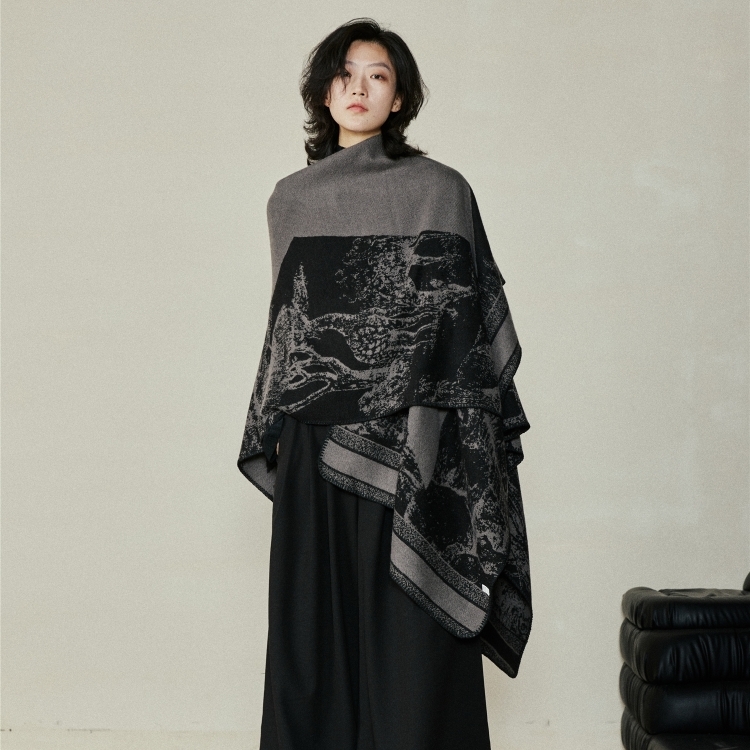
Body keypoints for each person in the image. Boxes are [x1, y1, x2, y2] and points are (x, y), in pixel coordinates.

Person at [237, 17, 532, 750]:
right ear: (323, 93)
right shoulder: (290, 200)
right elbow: (293, 334)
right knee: (312, 633)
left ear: (399, 98)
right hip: (313, 441)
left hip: (414, 440)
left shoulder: (440, 191)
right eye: (344, 75)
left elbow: (464, 330)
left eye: (377, 76)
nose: (359, 89)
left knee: (413, 632)